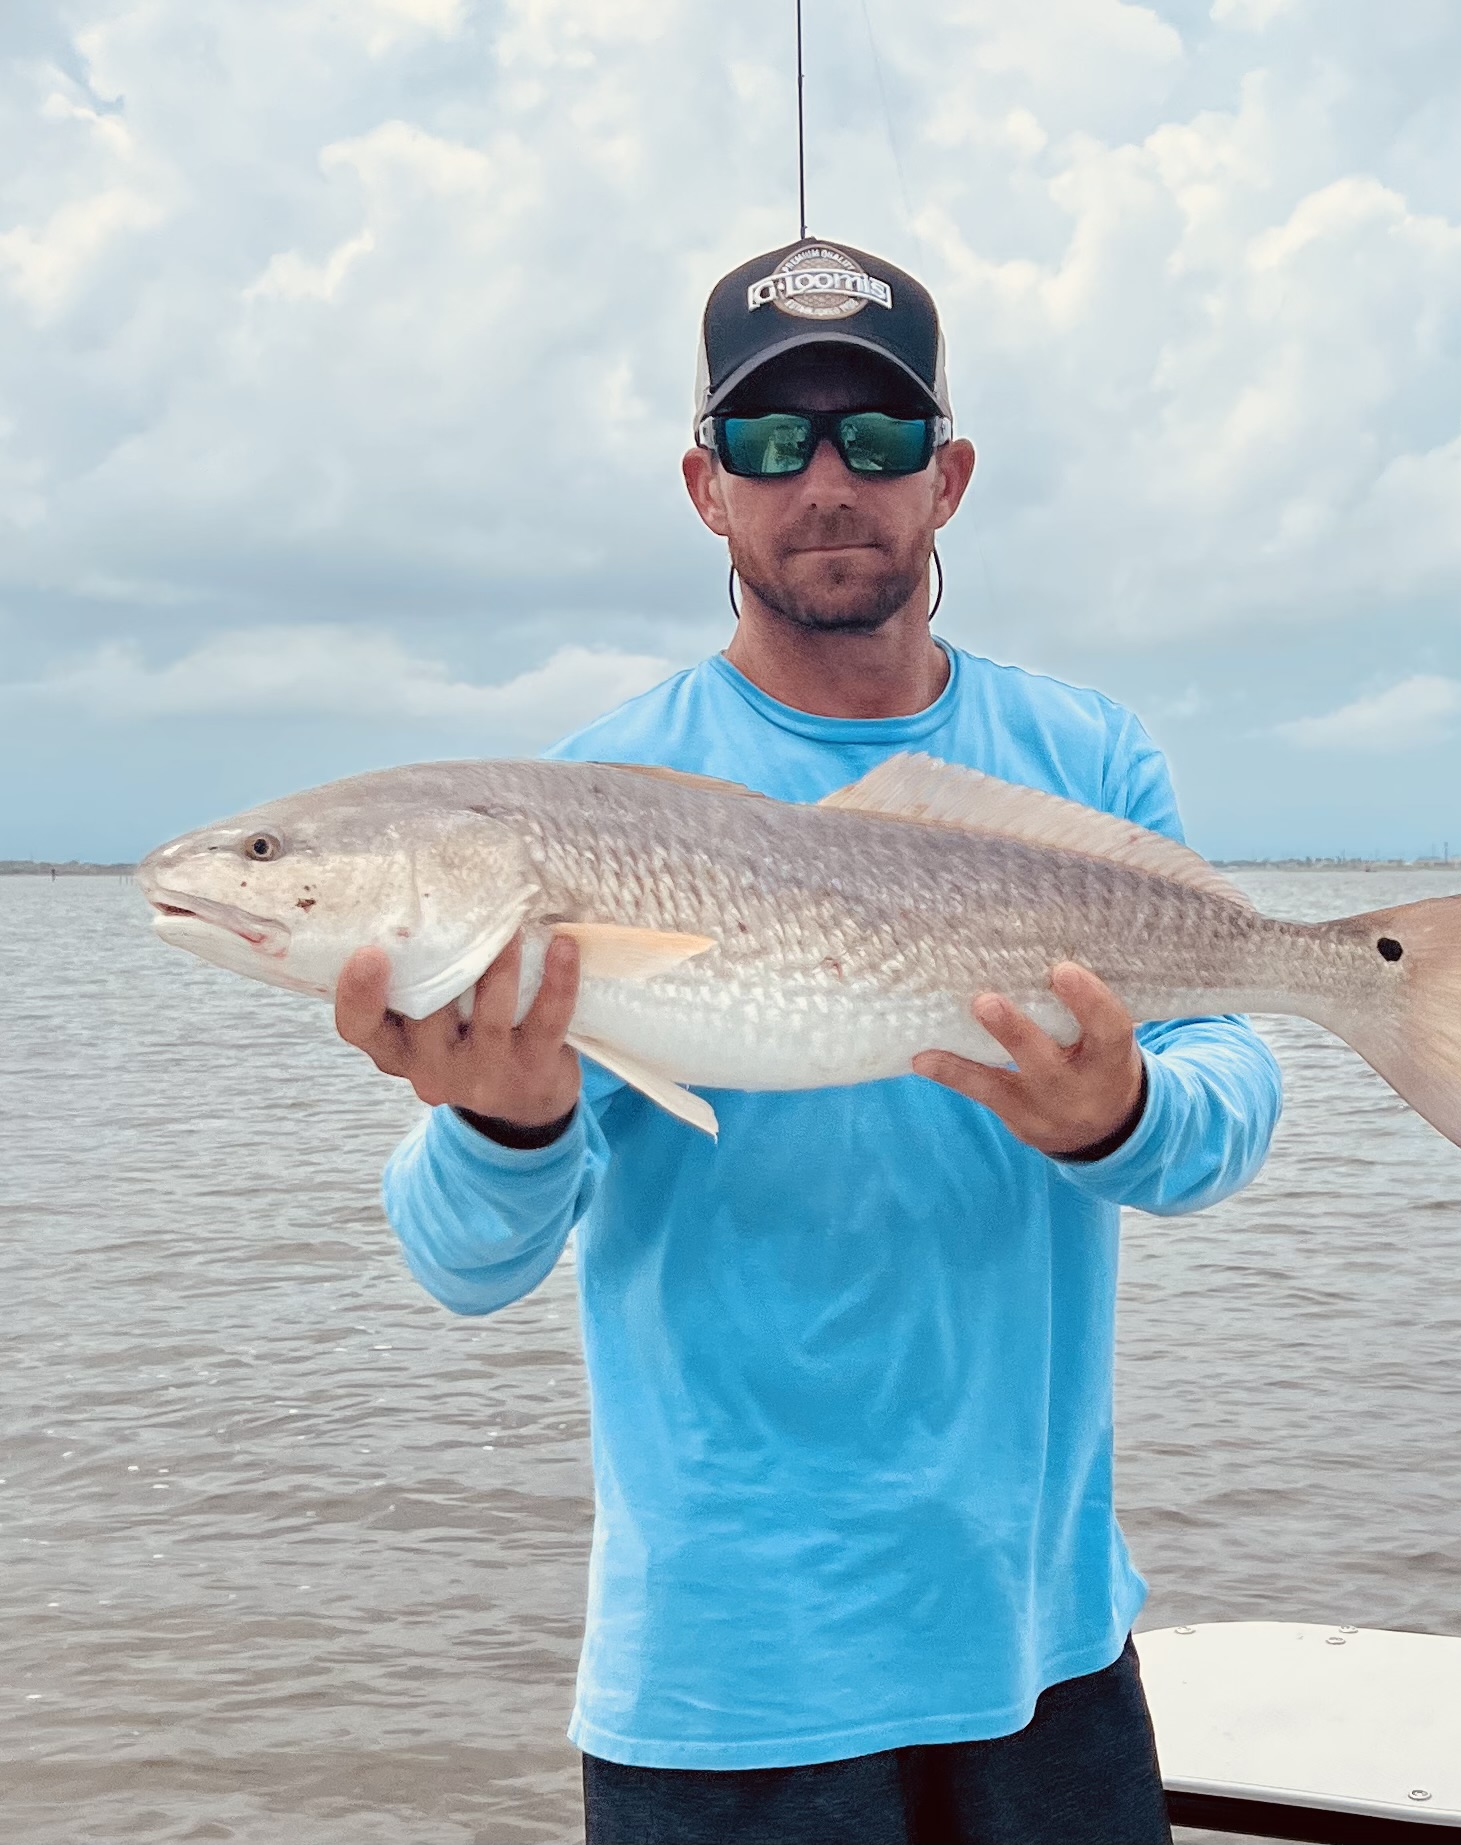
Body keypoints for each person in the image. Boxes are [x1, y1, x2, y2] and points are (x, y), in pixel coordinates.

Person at [336, 238, 1282, 1845]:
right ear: (707, 486)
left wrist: (1122, 1109)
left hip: (1042, 1650)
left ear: (950, 476)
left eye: (880, 437)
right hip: (722, 1687)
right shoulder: (584, 798)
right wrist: (503, 1125)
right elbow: (461, 1264)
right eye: (774, 442)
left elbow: (1234, 1087)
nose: (829, 481)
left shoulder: (1084, 756)